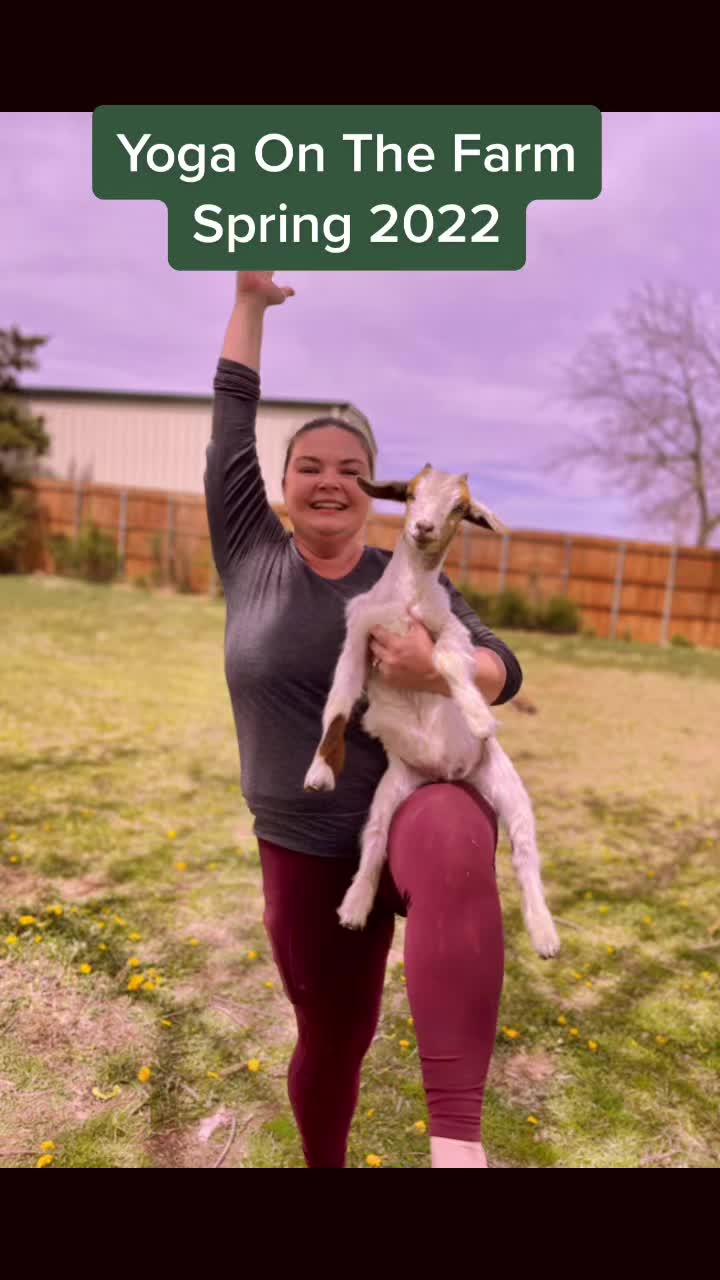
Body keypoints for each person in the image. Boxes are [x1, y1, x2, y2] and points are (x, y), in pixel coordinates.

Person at [204, 270, 524, 1169]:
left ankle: (457, 1149)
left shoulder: (406, 578)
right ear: (282, 484)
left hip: (412, 806)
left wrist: (443, 668)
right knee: (336, 1036)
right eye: (311, 466)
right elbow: (230, 424)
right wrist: (249, 305)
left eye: (352, 470)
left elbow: (504, 665)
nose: (331, 481)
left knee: (455, 830)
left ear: (377, 494)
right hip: (306, 846)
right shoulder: (252, 555)